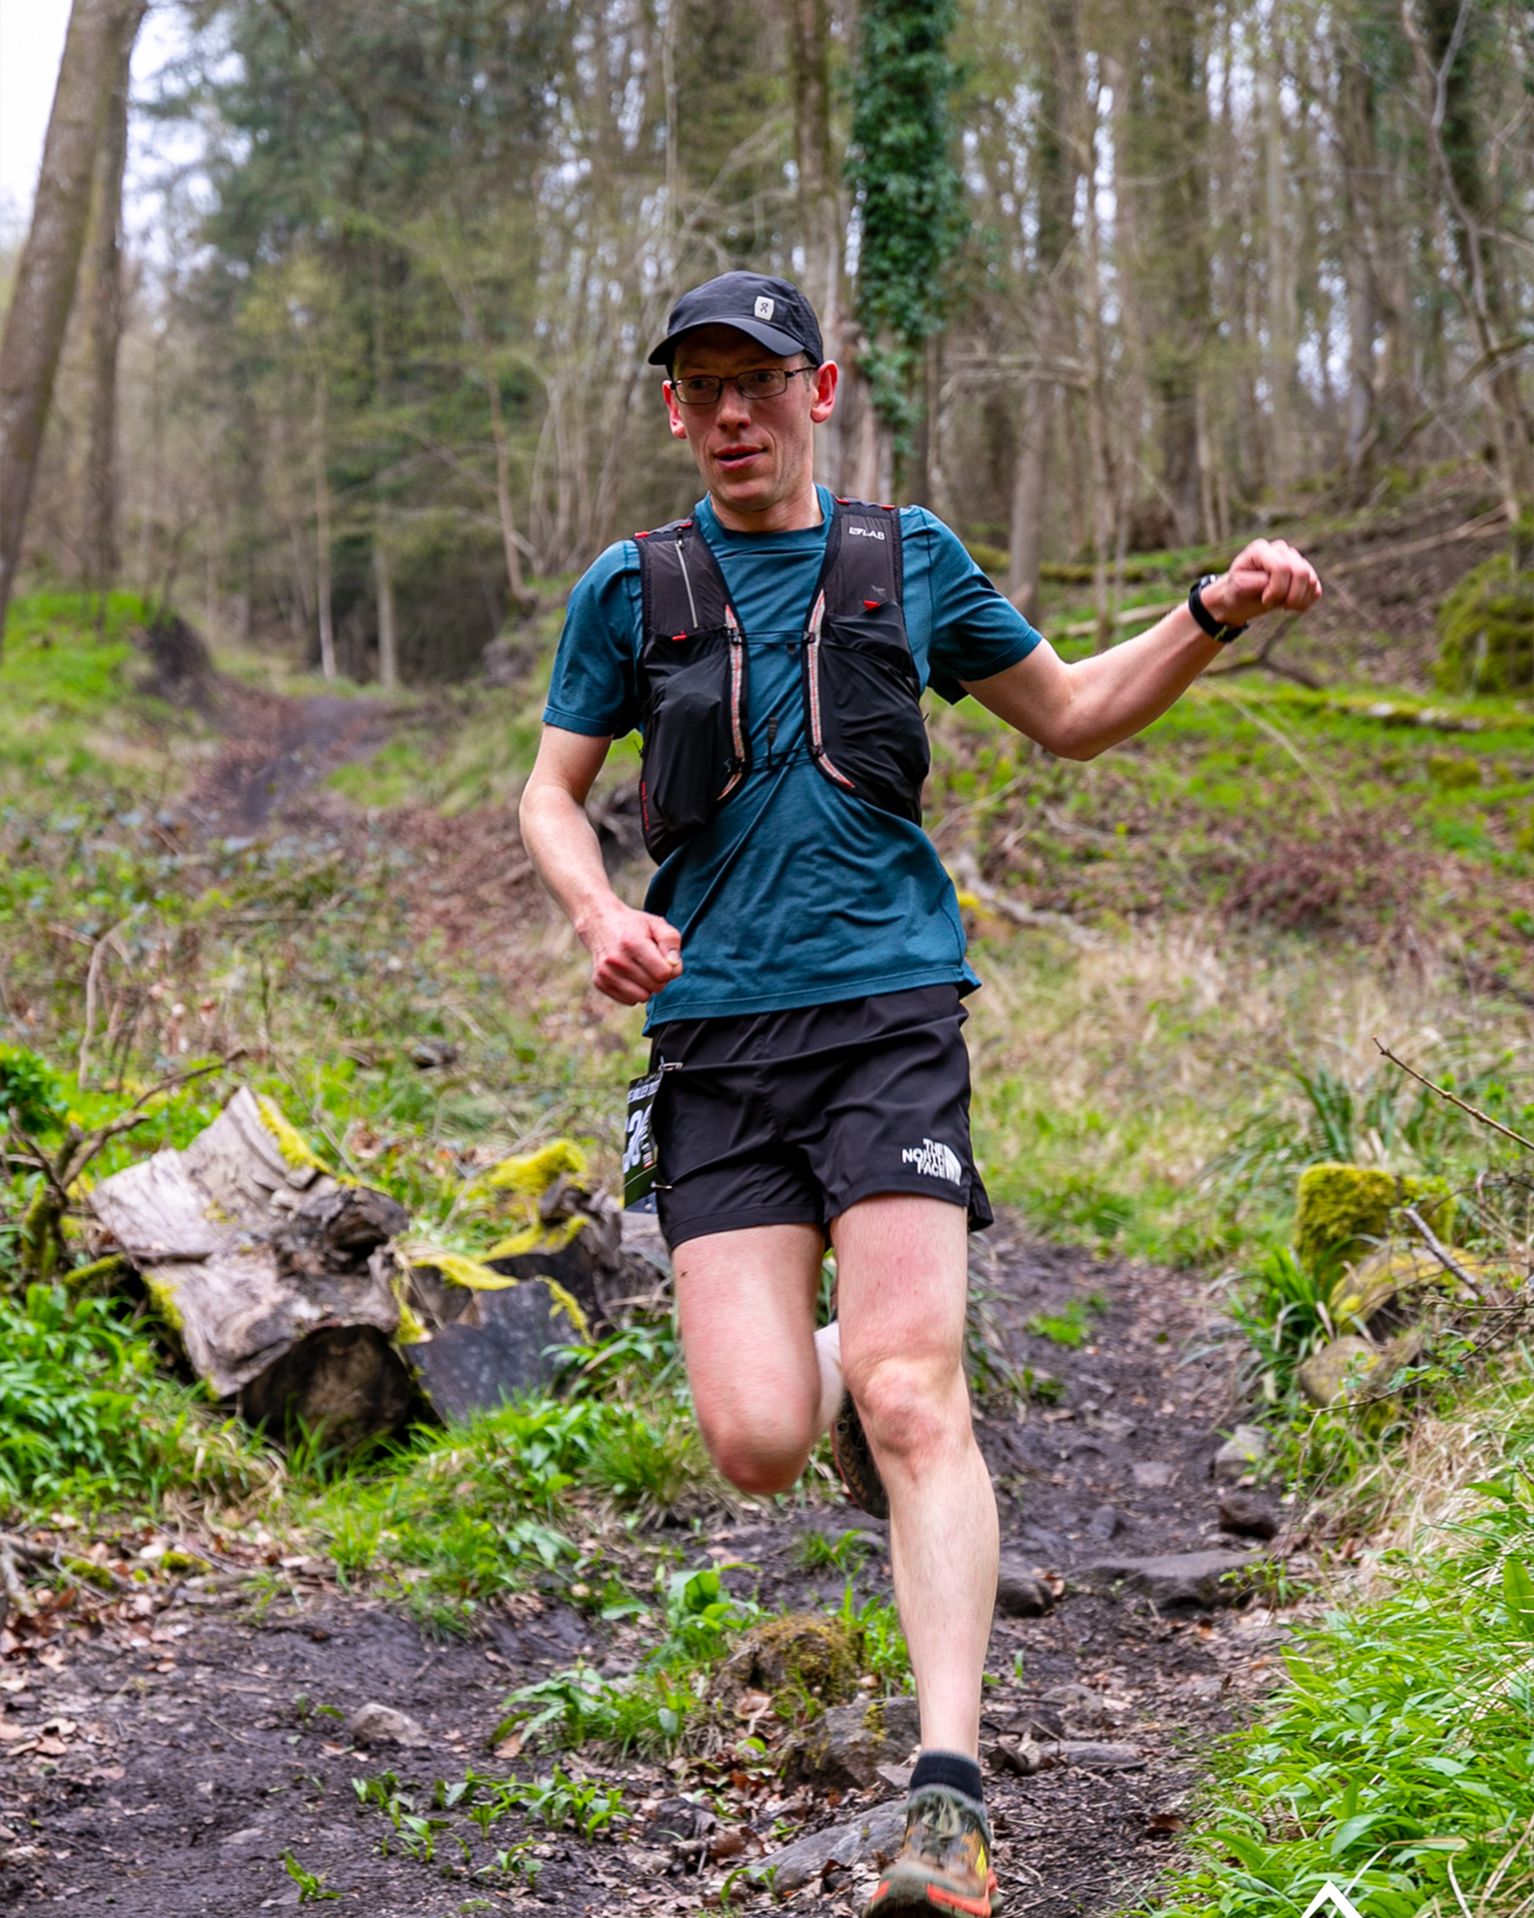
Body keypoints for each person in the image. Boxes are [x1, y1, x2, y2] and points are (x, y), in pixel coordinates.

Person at [519, 270, 1322, 1917]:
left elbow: (1077, 716)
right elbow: (548, 788)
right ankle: (864, 1343)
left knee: (909, 1399)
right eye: (701, 388)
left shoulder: (907, 560)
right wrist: (600, 910)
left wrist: (1212, 609)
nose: (732, 412)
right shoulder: (635, 586)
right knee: (753, 1438)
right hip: (714, 1044)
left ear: (823, 389)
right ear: (671, 410)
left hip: (888, 1010)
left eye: (761, 382)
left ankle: (944, 1806)